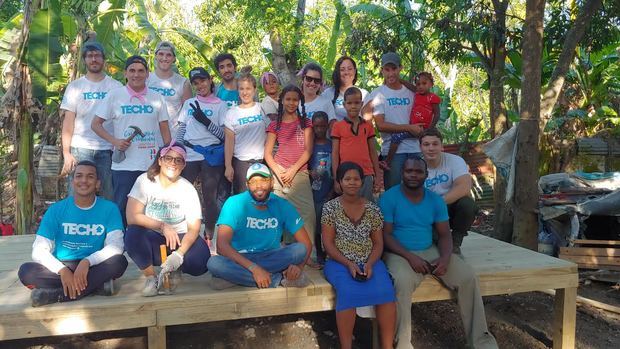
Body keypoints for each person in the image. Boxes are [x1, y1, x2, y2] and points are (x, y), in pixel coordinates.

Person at [379, 156, 498, 349]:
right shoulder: (389, 198)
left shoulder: (435, 200)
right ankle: (402, 344)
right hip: (399, 253)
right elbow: (386, 236)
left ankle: (481, 342)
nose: (413, 175)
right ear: (402, 173)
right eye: (409, 171)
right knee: (402, 281)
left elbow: (444, 235)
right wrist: (410, 257)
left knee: (467, 276)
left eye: (418, 172)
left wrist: (444, 258)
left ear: (426, 175)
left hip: (429, 249)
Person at [18, 160, 128, 307]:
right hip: (63, 264)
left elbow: (116, 246)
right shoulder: (56, 210)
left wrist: (87, 261)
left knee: (119, 262)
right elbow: (38, 250)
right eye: (79, 176)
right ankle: (96, 287)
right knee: (26, 271)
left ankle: (55, 295)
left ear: (98, 184)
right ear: (73, 182)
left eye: (90, 177)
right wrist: (62, 270)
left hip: (93, 265)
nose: (84, 180)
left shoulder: (110, 209)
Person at [322, 162, 396, 349]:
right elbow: (328, 243)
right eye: (347, 179)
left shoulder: (373, 209)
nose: (352, 183)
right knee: (347, 293)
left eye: (356, 179)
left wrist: (370, 263)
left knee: (386, 294)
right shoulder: (330, 208)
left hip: (370, 259)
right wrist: (348, 263)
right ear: (339, 183)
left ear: (362, 182)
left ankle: (387, 346)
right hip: (339, 261)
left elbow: (378, 242)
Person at [92, 55, 171, 226]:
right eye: (132, 70)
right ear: (125, 73)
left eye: (141, 71)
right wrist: (114, 141)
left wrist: (166, 156)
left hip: (151, 164)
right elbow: (96, 124)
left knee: (152, 208)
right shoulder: (115, 96)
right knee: (122, 206)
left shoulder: (157, 97)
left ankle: (147, 244)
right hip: (124, 164)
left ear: (147, 74)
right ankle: (121, 243)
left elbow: (165, 129)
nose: (136, 75)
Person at [124, 142, 210, 297]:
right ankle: (151, 278)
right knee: (132, 234)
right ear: (159, 160)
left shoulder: (187, 189)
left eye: (178, 160)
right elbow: (132, 216)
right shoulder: (145, 181)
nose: (173, 163)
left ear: (184, 165)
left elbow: (194, 228)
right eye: (168, 158)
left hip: (179, 238)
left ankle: (175, 267)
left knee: (201, 260)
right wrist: (162, 226)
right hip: (153, 237)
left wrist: (179, 254)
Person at [207, 163, 312, 288]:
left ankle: (237, 278)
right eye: (253, 182)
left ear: (272, 182)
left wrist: (299, 268)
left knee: (299, 249)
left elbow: (306, 244)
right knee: (214, 263)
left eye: (263, 180)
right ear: (247, 184)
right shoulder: (234, 203)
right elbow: (222, 246)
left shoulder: (282, 204)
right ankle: (277, 279)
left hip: (272, 256)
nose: (258, 186)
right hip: (241, 258)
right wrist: (254, 269)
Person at [60, 41, 122, 200]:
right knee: (77, 195)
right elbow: (68, 122)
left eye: (97, 56)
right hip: (80, 148)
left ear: (103, 59)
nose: (94, 59)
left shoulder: (116, 87)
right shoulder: (75, 87)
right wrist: (66, 153)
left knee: (108, 195)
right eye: (90, 56)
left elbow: (121, 120)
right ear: (84, 60)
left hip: (107, 150)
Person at [263, 85, 316, 265]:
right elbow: (268, 154)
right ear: (282, 100)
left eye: (295, 99)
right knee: (279, 215)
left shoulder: (306, 123)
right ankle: (285, 255)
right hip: (279, 175)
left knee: (307, 213)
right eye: (288, 99)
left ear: (299, 101)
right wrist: (278, 171)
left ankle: (308, 254)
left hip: (299, 173)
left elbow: (308, 151)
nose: (291, 103)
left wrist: (293, 170)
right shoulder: (274, 124)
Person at [176, 67, 229, 239]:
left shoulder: (221, 105)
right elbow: (182, 128)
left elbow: (223, 135)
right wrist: (176, 149)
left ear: (210, 80)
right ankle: (182, 231)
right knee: (181, 192)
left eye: (203, 81)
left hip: (211, 155)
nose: (200, 85)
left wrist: (205, 121)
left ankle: (210, 235)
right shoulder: (188, 103)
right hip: (190, 154)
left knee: (210, 197)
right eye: (196, 83)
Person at [364, 52, 422, 190]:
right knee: (393, 193)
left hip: (415, 149)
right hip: (393, 152)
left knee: (416, 192)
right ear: (382, 70)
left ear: (400, 68)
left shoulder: (411, 92)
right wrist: (409, 128)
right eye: (387, 70)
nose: (390, 74)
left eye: (394, 69)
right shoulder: (378, 93)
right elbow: (381, 125)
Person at [420, 128, 475, 254]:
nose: (431, 148)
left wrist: (439, 202)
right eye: (426, 144)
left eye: (435, 144)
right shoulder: (416, 165)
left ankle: (456, 242)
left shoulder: (455, 161)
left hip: (448, 205)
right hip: (427, 211)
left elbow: (464, 187)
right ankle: (436, 238)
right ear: (420, 148)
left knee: (467, 204)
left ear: (442, 146)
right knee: (434, 247)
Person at [381, 72, 441, 171]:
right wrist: (398, 79)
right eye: (418, 84)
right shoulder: (417, 93)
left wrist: (429, 129)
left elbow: (437, 114)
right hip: (413, 127)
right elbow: (409, 85)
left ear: (431, 84)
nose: (421, 86)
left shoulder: (433, 98)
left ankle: (387, 161)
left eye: (424, 83)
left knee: (396, 137)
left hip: (422, 129)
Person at [331, 87, 381, 201]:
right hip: (346, 176)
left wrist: (377, 176)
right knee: (348, 208)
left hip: (366, 174)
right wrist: (336, 178)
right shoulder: (338, 126)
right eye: (349, 103)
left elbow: (373, 151)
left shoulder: (367, 126)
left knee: (366, 207)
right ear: (344, 104)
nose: (353, 106)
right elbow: (334, 154)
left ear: (362, 104)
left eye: (357, 103)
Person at [223, 73, 268, 194]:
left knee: (262, 196)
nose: (245, 92)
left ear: (254, 90)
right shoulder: (231, 113)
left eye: (248, 88)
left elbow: (270, 134)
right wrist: (228, 166)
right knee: (244, 198)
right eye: (241, 89)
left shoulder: (262, 108)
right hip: (241, 163)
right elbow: (229, 142)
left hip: (262, 161)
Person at [147, 41, 192, 138]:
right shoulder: (146, 79)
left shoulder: (183, 82)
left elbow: (188, 115)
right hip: (148, 137)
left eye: (168, 55)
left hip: (173, 138)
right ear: (155, 56)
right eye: (161, 54)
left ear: (174, 59)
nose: (164, 58)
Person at [308, 111, 333, 265]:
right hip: (313, 192)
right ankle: (319, 253)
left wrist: (333, 192)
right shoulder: (309, 146)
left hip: (329, 190)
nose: (319, 130)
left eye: (322, 126)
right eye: (316, 126)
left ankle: (329, 252)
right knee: (316, 224)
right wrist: (311, 172)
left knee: (328, 224)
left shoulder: (332, 145)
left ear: (328, 126)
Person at [324, 56, 368, 124]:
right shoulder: (327, 94)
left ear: (355, 71)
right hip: (334, 134)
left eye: (350, 69)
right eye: (342, 69)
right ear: (337, 72)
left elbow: (367, 124)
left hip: (359, 134)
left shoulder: (364, 94)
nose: (346, 72)